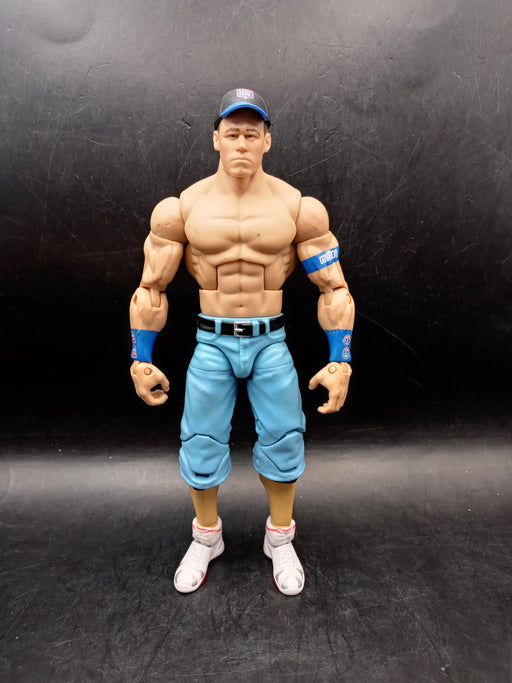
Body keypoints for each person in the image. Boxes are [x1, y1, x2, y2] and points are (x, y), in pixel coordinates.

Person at [129, 88, 355, 596]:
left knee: (284, 439)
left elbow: (334, 288)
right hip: (211, 342)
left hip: (269, 340)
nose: (242, 143)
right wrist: (140, 358)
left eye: (252, 134)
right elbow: (151, 288)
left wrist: (340, 359)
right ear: (216, 139)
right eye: (232, 133)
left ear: (267, 141)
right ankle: (206, 537)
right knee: (201, 440)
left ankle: (280, 537)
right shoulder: (180, 209)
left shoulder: (299, 208)